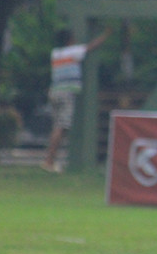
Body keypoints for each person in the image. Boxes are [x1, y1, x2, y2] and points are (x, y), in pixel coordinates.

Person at [42, 26, 111, 172]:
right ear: (69, 40)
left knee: (57, 126)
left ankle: (50, 159)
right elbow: (91, 47)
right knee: (61, 127)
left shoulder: (55, 53)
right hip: (67, 93)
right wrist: (105, 35)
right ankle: (49, 161)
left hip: (55, 91)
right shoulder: (73, 51)